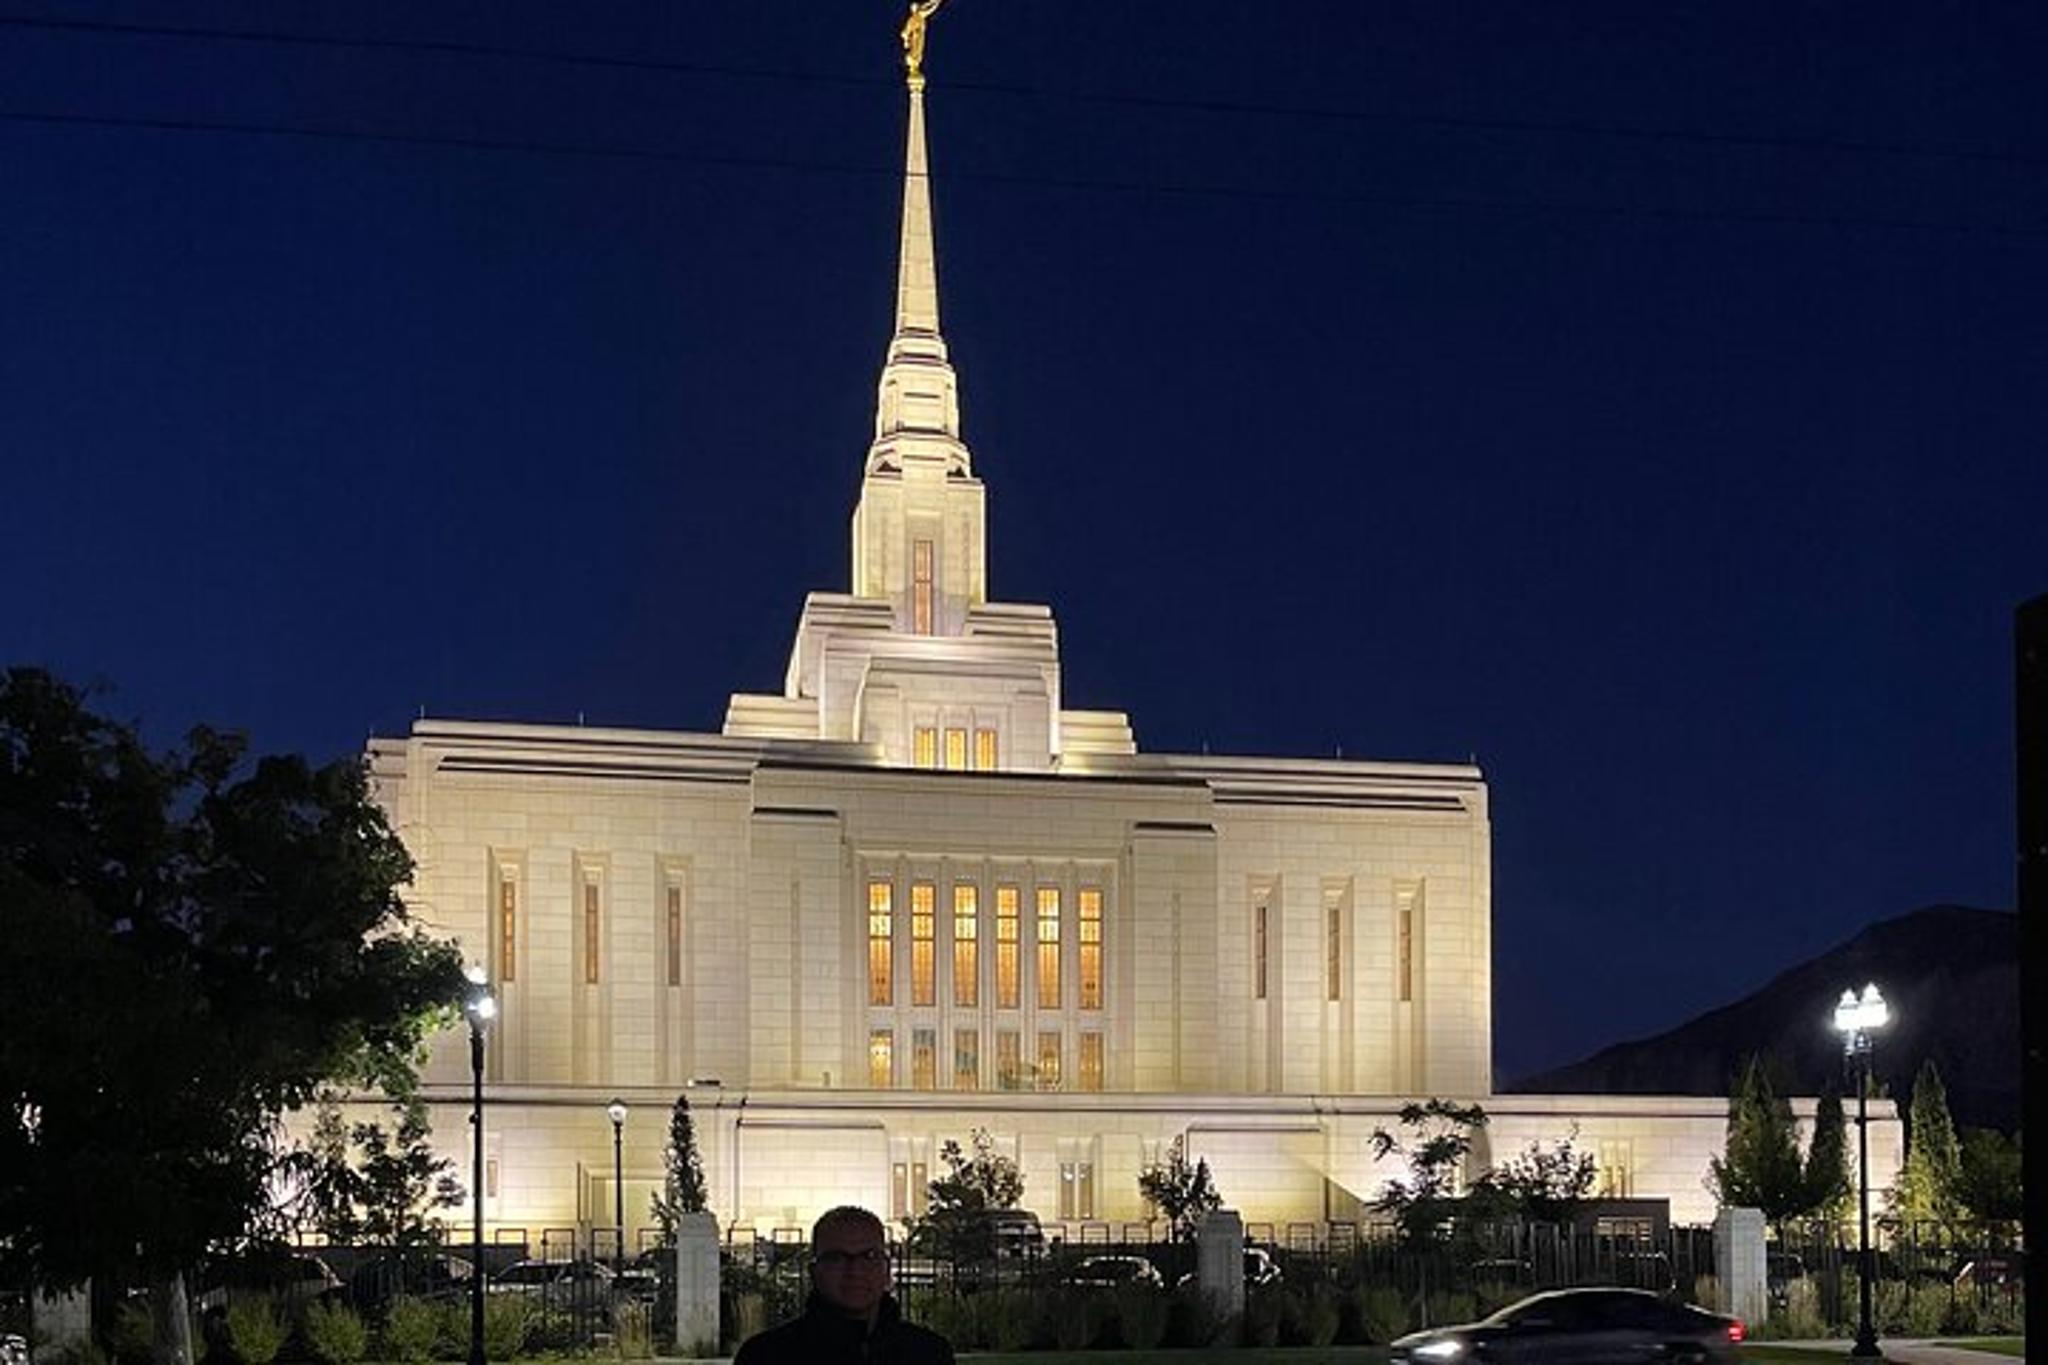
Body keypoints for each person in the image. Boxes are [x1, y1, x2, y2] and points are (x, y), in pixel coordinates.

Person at [733, 1206, 954, 1365]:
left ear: (886, 1269)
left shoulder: (930, 1353)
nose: (855, 1270)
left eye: (868, 1256)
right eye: (837, 1258)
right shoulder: (766, 1356)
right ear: (814, 1271)